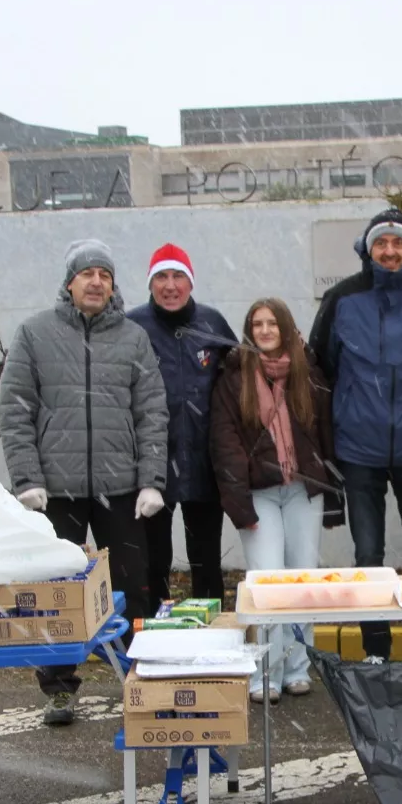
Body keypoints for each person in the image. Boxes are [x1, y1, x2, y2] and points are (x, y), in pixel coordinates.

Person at [0, 238, 168, 725]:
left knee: (133, 587)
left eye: (105, 275)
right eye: (87, 274)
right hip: (56, 491)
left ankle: (140, 675)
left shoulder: (133, 338)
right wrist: (27, 478)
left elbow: (152, 412)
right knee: (57, 593)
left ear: (114, 286)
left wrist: (151, 480)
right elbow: (15, 409)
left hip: (121, 490)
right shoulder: (35, 334)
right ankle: (58, 689)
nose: (96, 282)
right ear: (69, 282)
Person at [309, 208, 402, 663]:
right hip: (359, 447)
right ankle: (377, 652)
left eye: (398, 244)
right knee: (369, 555)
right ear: (367, 249)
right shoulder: (342, 299)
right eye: (381, 243)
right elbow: (322, 364)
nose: (389, 251)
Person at [209, 298, 343, 703]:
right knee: (266, 582)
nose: (265, 330)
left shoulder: (309, 373)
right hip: (259, 494)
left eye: (272, 323)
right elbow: (225, 445)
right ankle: (263, 674)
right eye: (257, 324)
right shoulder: (233, 379)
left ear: (286, 327)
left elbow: (326, 438)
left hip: (303, 491)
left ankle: (297, 669)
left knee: (303, 582)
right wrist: (239, 505)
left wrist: (334, 496)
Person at [126, 243, 237, 615]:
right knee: (154, 560)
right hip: (151, 465)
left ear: (190, 282)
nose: (170, 285)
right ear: (150, 283)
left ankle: (213, 636)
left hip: (205, 463)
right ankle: (159, 635)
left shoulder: (213, 323)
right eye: (161, 277)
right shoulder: (132, 327)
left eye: (178, 276)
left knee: (206, 561)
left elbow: (240, 383)